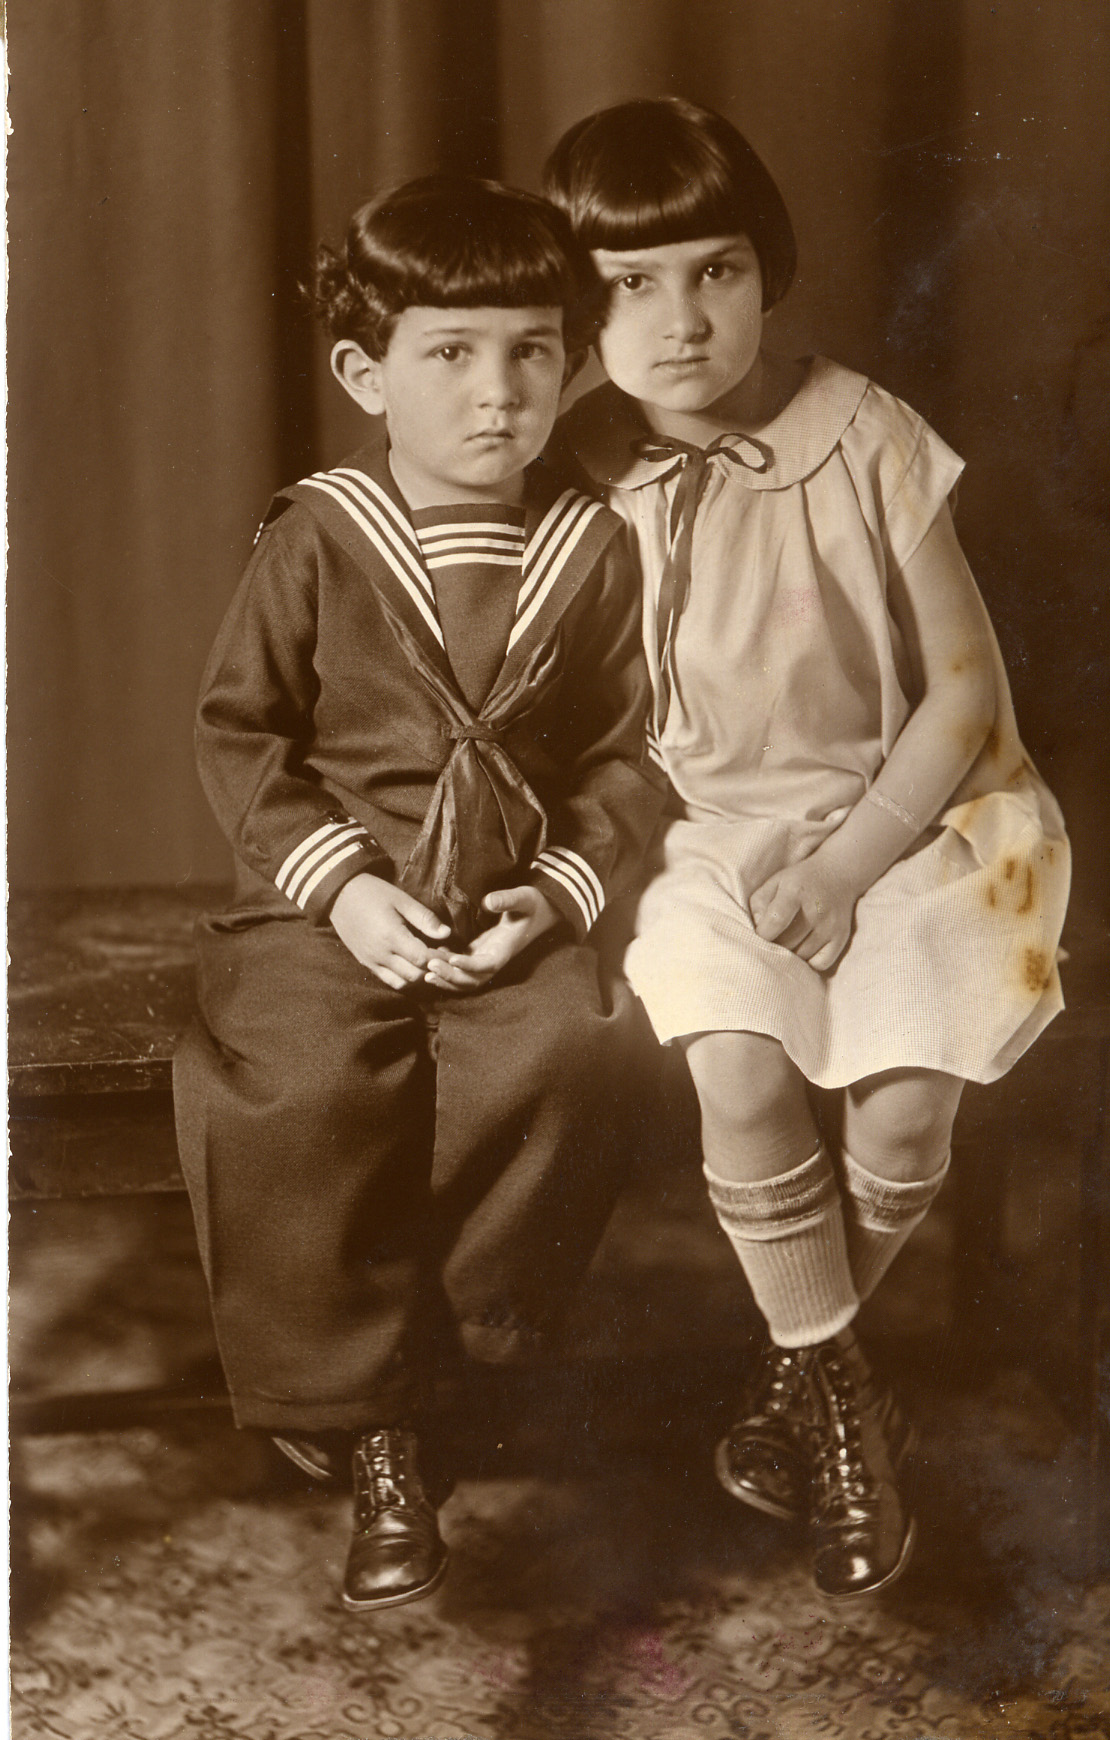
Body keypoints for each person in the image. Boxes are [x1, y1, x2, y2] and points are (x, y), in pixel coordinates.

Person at [544, 98, 1070, 1598]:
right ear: (577, 305)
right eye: (628, 284)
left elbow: (963, 695)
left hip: (915, 812)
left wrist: (849, 865)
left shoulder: (861, 433)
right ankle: (845, 1405)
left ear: (766, 269)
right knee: (734, 1055)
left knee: (905, 1103)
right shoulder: (580, 460)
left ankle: (791, 1380)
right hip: (699, 836)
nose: (678, 320)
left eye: (713, 270)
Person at [173, 174, 665, 1614]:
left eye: (531, 352)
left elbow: (625, 750)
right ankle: (362, 1414)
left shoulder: (592, 545)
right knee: (304, 1081)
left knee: (566, 1050)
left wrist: (557, 895)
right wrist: (341, 892)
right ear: (364, 374)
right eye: (449, 353)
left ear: (572, 363)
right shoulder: (321, 533)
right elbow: (241, 734)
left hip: (507, 900)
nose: (497, 392)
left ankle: (450, 1366)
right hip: (337, 898)